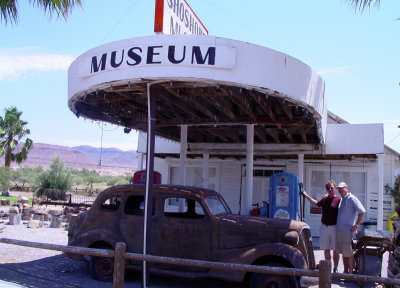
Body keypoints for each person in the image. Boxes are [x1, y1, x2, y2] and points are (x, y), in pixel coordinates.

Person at [302, 180, 341, 272]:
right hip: (324, 226)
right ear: (326, 189)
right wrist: (306, 196)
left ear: (335, 188)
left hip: (335, 227)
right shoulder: (324, 199)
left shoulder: (339, 200)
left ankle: (335, 267)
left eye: (332, 188)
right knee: (326, 248)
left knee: (336, 249)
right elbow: (316, 204)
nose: (330, 189)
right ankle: (328, 268)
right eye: (328, 188)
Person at [336, 181, 366, 274]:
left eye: (342, 188)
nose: (341, 190)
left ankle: (350, 274)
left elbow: (362, 211)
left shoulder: (352, 198)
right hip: (340, 230)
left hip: (347, 231)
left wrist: (356, 224)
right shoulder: (342, 199)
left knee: (349, 253)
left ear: (347, 188)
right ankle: (345, 272)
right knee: (344, 253)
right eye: (339, 189)